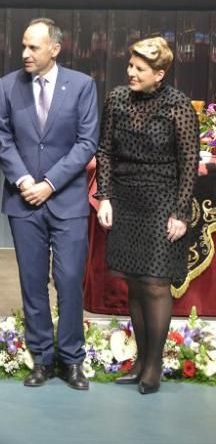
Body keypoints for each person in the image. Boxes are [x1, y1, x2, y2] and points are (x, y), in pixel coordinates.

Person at [0, 18, 99, 390]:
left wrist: (49, 184)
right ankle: (42, 357)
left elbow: (87, 142)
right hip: (24, 201)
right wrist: (24, 181)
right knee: (32, 282)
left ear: (55, 48)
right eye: (23, 45)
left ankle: (72, 359)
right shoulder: (8, 85)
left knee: (69, 280)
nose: (25, 53)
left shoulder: (82, 86)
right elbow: (1, 137)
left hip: (66, 201)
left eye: (33, 47)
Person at [96, 36, 198, 395]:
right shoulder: (117, 99)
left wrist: (181, 212)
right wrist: (104, 196)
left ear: (160, 73)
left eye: (139, 69)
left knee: (155, 283)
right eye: (130, 66)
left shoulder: (178, 106)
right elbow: (104, 150)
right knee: (135, 283)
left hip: (162, 200)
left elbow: (188, 163)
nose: (131, 73)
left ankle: (154, 365)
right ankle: (140, 360)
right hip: (125, 199)